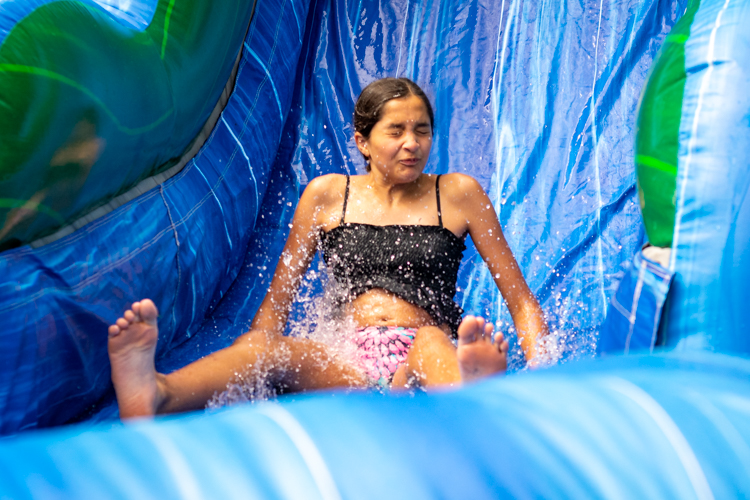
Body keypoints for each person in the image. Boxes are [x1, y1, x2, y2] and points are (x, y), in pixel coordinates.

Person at [108, 78, 549, 419]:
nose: (412, 143)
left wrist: (544, 375)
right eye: (396, 130)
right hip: (343, 362)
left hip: (418, 360)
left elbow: (522, 304)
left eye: (422, 130)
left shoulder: (457, 194)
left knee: (434, 341)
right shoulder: (326, 195)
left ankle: (473, 394)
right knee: (269, 350)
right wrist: (256, 360)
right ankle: (157, 394)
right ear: (363, 141)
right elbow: (276, 305)